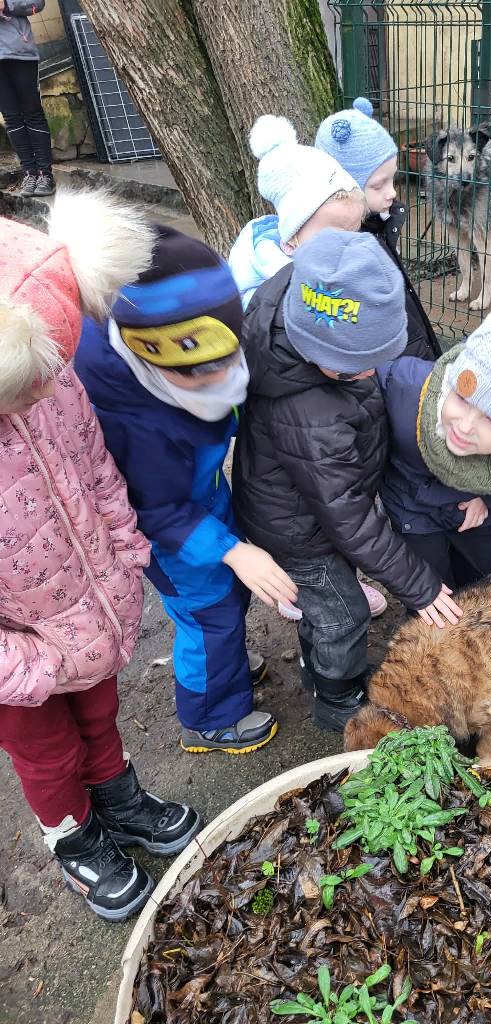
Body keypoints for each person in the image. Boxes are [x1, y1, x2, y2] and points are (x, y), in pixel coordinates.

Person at [0, 191, 201, 921]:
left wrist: (125, 551)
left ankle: (117, 796)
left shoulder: (49, 379)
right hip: (22, 656)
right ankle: (74, 836)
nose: (42, 395)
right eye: (24, 391)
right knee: (47, 754)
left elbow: (94, 465)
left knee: (100, 715)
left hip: (90, 610)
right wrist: (32, 665)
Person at [75, 226, 297, 756]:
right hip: (173, 534)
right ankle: (210, 718)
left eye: (230, 361)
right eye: (206, 374)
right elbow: (155, 511)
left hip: (202, 500)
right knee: (206, 615)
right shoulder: (138, 427)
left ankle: (226, 665)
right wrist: (232, 550)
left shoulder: (181, 365)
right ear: (153, 358)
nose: (226, 378)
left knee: (229, 599)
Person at [232, 228, 463, 732]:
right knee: (345, 612)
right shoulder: (311, 414)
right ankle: (338, 700)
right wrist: (421, 587)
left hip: (309, 508)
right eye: (358, 367)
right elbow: (349, 518)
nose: (372, 372)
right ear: (322, 354)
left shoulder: (300, 298)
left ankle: (318, 668)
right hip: (297, 532)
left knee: (326, 605)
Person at [228, 114, 388, 625]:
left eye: (355, 231)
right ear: (293, 239)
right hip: (294, 492)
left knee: (334, 509)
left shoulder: (321, 279)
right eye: (335, 233)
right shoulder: (281, 302)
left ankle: (328, 582)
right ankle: (305, 589)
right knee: (337, 608)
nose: (349, 243)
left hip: (320, 462)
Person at [377, 304, 491, 589]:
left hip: (474, 510)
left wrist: (490, 499)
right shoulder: (404, 389)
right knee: (431, 593)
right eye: (462, 398)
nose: (464, 426)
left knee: (480, 584)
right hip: (412, 508)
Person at [315, 96, 442, 361]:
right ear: (343, 189)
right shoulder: (347, 257)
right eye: (378, 185)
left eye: (392, 179)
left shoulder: (378, 225)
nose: (392, 192)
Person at [228, 115, 365, 311]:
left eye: (353, 233)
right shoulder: (270, 281)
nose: (345, 246)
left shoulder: (323, 259)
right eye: (331, 237)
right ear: (292, 236)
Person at [0, 0, 54, 197]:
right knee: (11, 117)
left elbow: (37, 3)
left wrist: (7, 5)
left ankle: (45, 174)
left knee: (32, 113)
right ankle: (30, 173)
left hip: (20, 53)